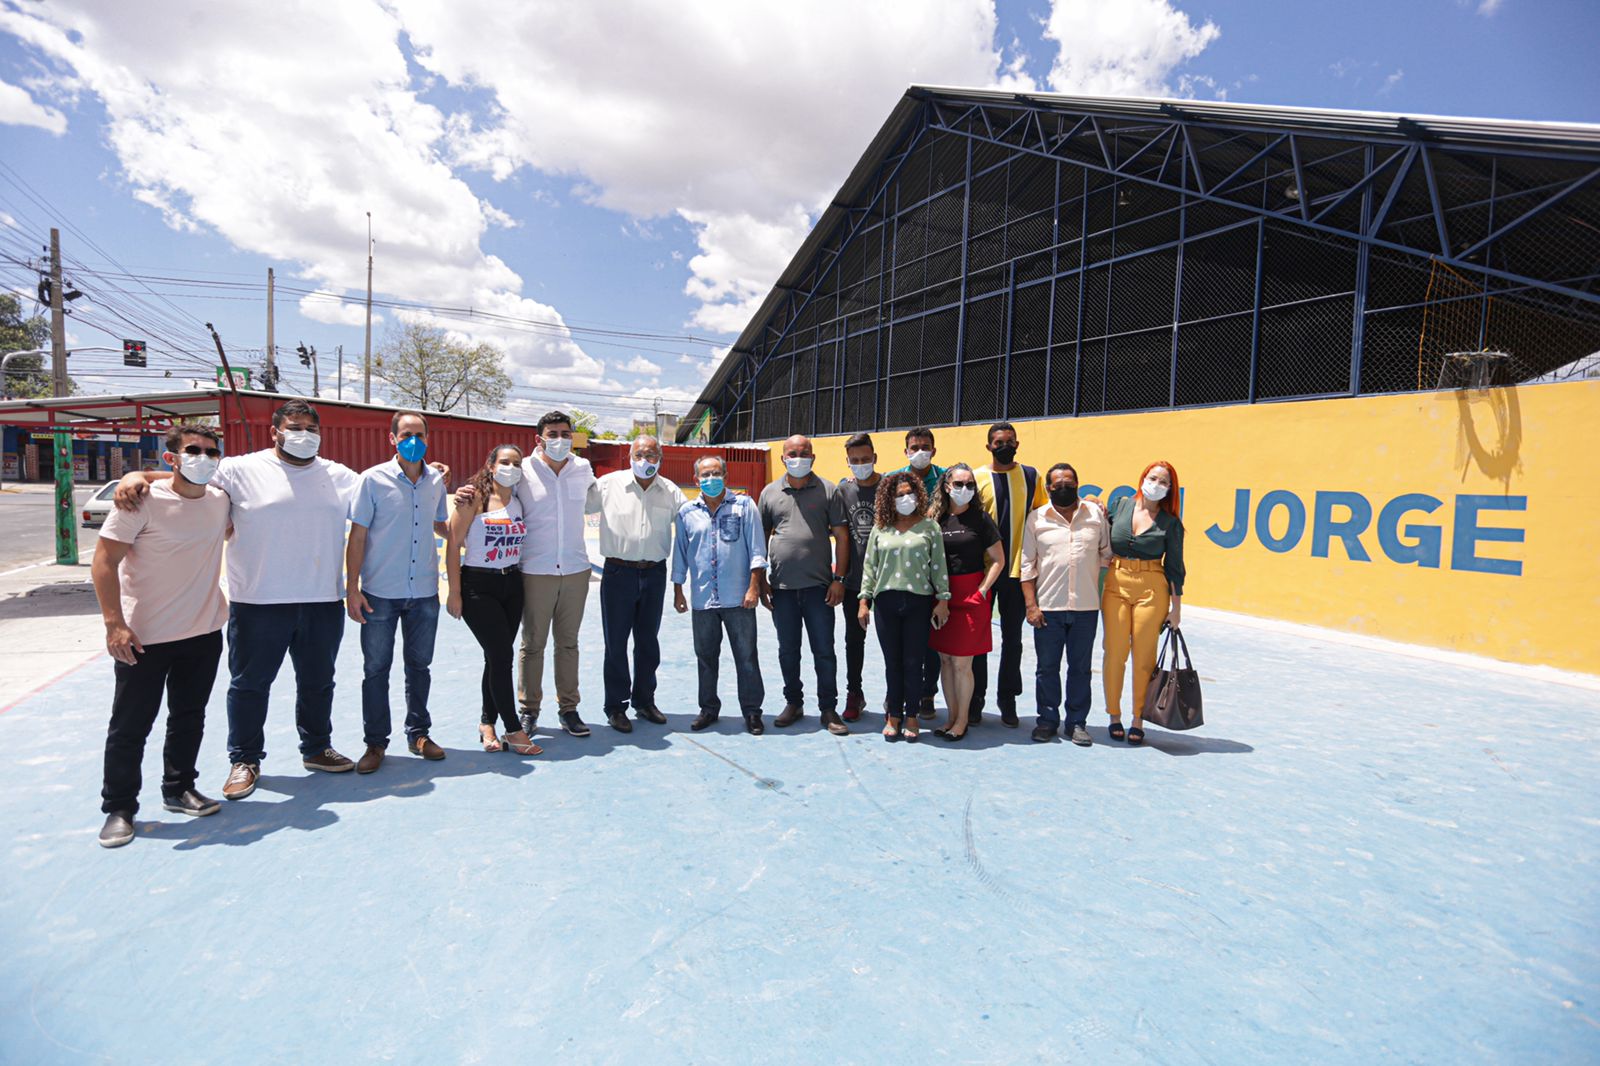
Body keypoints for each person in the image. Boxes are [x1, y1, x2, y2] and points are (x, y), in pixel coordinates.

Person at [114, 398, 365, 799]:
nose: (304, 435)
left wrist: (433, 474)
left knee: (318, 683)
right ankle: (245, 759)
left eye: (311, 429)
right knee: (250, 686)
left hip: (322, 601)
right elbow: (185, 479)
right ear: (275, 432)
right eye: (295, 427)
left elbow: (382, 499)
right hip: (257, 602)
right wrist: (137, 475)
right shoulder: (239, 469)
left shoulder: (339, 477)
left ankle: (317, 748)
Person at [91, 424, 230, 848]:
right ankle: (119, 807)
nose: (203, 458)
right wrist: (114, 623)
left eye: (211, 452)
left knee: (189, 718)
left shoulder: (221, 501)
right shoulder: (140, 502)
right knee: (130, 726)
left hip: (204, 632)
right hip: (144, 636)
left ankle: (179, 788)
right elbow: (102, 562)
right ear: (171, 457)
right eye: (193, 450)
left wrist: (140, 472)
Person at [457, 411, 596, 738]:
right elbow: (495, 493)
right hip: (534, 570)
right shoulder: (523, 471)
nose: (559, 439)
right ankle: (528, 708)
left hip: (576, 569)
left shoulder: (583, 469)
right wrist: (462, 490)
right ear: (539, 438)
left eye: (565, 433)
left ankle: (569, 708)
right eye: (553, 433)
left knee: (569, 644)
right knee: (532, 644)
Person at [345, 411, 451, 773]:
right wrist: (352, 588)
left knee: (419, 666)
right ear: (392, 438)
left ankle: (418, 733)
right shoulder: (371, 480)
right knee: (376, 669)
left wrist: (473, 514)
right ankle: (375, 743)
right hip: (380, 593)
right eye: (406, 433)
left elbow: (441, 525)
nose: (413, 440)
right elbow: (357, 536)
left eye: (419, 434)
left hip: (423, 592)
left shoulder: (436, 480)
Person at [447, 444, 541, 756]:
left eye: (516, 463)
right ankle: (513, 729)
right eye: (504, 462)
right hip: (479, 585)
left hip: (511, 584)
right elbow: (452, 544)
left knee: (495, 657)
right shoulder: (473, 497)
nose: (510, 467)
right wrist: (455, 592)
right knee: (502, 656)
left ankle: (487, 722)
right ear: (490, 464)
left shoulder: (517, 501)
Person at [587, 435, 685, 733]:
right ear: (629, 456)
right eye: (640, 454)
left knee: (647, 642)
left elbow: (693, 521)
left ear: (661, 459)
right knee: (615, 643)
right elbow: (571, 503)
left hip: (654, 574)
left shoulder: (670, 491)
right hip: (619, 573)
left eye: (652, 455)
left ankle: (644, 701)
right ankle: (616, 707)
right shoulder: (607, 485)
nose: (646, 460)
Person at [758, 434, 851, 735]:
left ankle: (828, 708)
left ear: (813, 456)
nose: (798, 457)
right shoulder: (770, 492)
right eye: (792, 453)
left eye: (804, 453)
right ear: (783, 457)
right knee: (788, 650)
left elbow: (843, 537)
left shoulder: (828, 490)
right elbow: (759, 540)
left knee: (824, 650)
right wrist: (760, 581)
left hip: (819, 589)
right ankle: (793, 703)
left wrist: (839, 579)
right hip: (782, 589)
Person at [672, 455, 767, 734]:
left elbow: (757, 549)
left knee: (746, 656)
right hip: (703, 599)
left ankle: (752, 712)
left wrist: (754, 586)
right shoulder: (686, 513)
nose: (710, 479)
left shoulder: (744, 506)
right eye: (705, 475)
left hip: (739, 598)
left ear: (725, 476)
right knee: (705, 657)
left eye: (716, 473)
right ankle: (708, 709)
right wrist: (678, 589)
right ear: (696, 480)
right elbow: (680, 553)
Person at [856, 472, 950, 742]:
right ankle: (893, 715)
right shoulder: (880, 528)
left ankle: (912, 715)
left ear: (918, 494)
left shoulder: (929, 527)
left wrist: (943, 600)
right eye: (899, 495)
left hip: (919, 601)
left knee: (914, 661)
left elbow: (938, 565)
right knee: (892, 662)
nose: (905, 498)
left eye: (910, 493)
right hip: (886, 602)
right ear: (889, 498)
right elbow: (870, 568)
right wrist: (864, 601)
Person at [1020, 462, 1110, 747]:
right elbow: (1027, 566)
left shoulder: (1095, 515)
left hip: (1085, 607)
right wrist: (1031, 606)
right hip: (1048, 607)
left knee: (1080, 668)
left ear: (1078, 484)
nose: (1063, 488)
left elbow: (1106, 555)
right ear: (1048, 489)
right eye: (1057, 485)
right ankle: (1047, 721)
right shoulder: (1036, 519)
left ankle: (1077, 723)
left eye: (1069, 483)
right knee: (1047, 668)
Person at [1102, 461, 1187, 746]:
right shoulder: (1121, 505)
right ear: (1143, 478)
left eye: (1164, 482)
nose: (1157, 484)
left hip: (1152, 587)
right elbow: (1100, 519)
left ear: (1170, 490)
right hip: (1116, 583)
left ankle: (1138, 717)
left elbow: (1175, 567)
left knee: (1144, 656)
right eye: (1153, 478)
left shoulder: (1171, 523)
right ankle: (1114, 714)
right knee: (1114, 652)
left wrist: (1176, 609)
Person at [972, 421, 1047, 728]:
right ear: (989, 446)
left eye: (1010, 441)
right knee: (978, 639)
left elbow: (1044, 514)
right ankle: (976, 698)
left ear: (1017, 444)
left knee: (1012, 640)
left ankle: (1007, 699)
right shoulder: (976, 478)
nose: (1005, 445)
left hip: (1016, 573)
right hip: (983, 574)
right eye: (998, 441)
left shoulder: (1031, 476)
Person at [927, 464, 1005, 742]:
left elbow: (998, 560)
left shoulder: (981, 519)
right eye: (958, 484)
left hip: (971, 595)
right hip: (941, 599)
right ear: (946, 487)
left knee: (962, 664)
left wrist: (983, 590)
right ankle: (950, 717)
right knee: (945, 660)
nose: (964, 489)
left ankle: (962, 721)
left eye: (969, 484)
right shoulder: (934, 518)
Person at [892, 426, 946, 720]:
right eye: (914, 447)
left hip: (934, 569)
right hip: (902, 571)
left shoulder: (945, 479)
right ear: (906, 451)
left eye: (925, 446)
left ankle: (927, 693)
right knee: (901, 642)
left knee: (931, 643)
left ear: (933, 450)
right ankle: (898, 695)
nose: (920, 452)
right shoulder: (895, 480)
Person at [835, 432, 880, 721]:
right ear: (848, 462)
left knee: (895, 641)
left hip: (889, 580)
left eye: (865, 459)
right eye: (855, 461)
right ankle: (855, 692)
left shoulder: (890, 487)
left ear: (875, 458)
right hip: (854, 578)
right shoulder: (843, 490)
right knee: (854, 639)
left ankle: (895, 695)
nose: (860, 464)